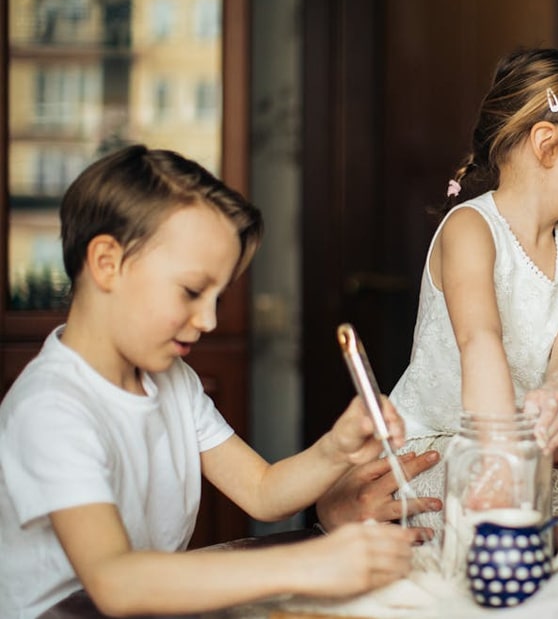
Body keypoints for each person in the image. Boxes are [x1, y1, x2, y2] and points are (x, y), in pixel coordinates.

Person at [0, 146, 416, 618]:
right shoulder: (52, 408)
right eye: (193, 291)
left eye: (219, 296)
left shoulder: (172, 381)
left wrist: (335, 449)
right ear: (107, 263)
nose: (209, 319)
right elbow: (115, 582)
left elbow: (261, 491)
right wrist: (307, 563)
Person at [380, 48, 558, 556]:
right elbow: (481, 341)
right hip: (442, 442)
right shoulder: (471, 228)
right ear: (547, 144)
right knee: (463, 506)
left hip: (528, 452)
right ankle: (497, 537)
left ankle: (529, 544)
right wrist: (498, 459)